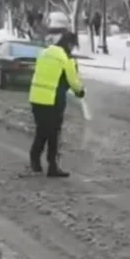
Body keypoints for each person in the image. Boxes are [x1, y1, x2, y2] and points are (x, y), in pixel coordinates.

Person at [29, 31, 85, 177]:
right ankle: (52, 167)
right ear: (69, 44)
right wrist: (80, 91)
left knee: (41, 131)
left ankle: (35, 161)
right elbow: (73, 81)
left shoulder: (44, 52)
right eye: (73, 46)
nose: (73, 49)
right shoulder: (66, 58)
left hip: (36, 98)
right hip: (52, 100)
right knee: (54, 134)